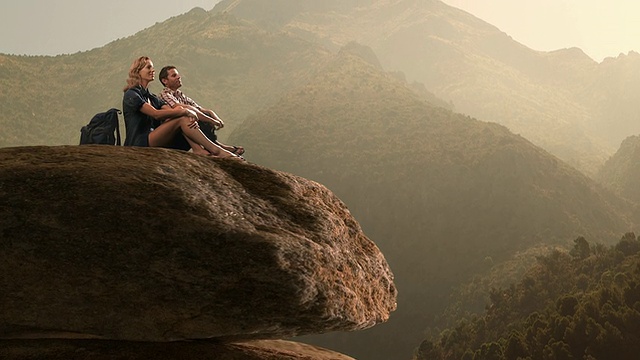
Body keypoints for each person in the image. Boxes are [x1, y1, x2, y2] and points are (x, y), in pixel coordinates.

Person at [122, 56, 240, 159]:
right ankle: (217, 150)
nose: (152, 70)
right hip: (139, 141)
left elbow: (173, 110)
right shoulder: (132, 94)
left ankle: (200, 149)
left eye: (152, 67)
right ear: (138, 72)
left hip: (153, 138)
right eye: (148, 67)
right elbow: (156, 114)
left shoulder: (151, 97)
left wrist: (186, 112)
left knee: (182, 115)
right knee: (182, 116)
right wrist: (185, 112)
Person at [158, 65, 245, 156]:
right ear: (165, 81)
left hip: (188, 130)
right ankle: (214, 148)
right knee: (191, 117)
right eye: (174, 75)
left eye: (178, 75)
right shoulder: (165, 94)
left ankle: (216, 145)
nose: (178, 77)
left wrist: (214, 116)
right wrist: (211, 120)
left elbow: (200, 109)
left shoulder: (179, 94)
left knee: (202, 115)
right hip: (176, 134)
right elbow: (184, 108)